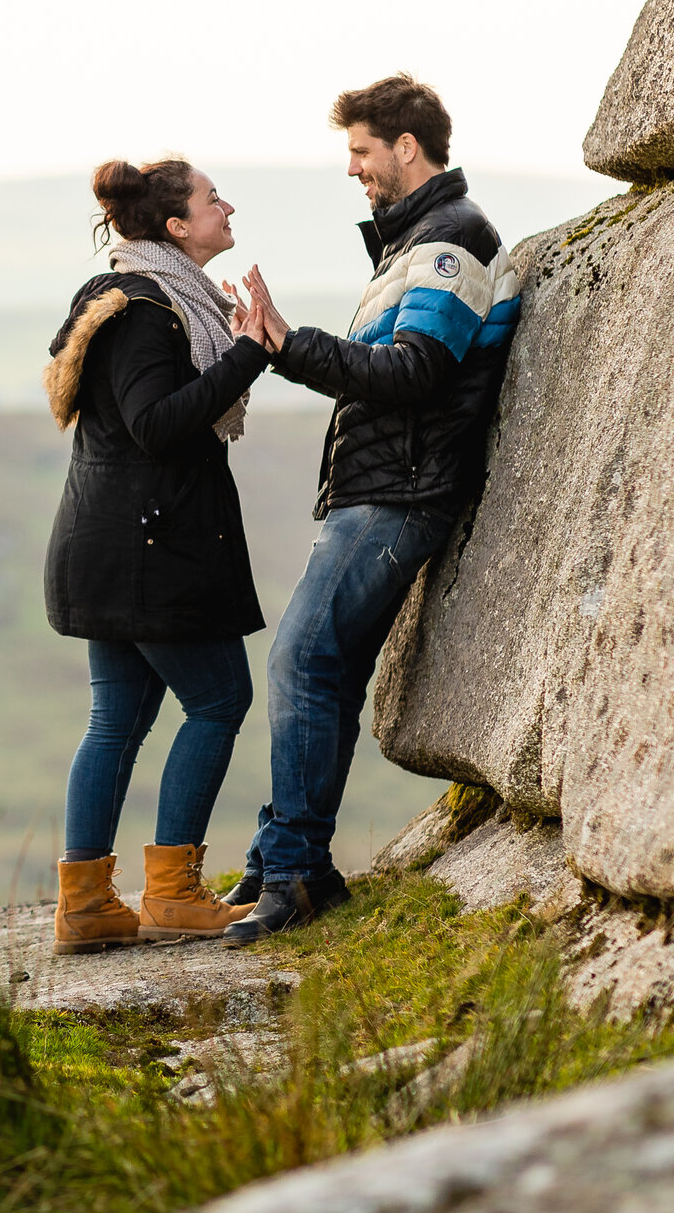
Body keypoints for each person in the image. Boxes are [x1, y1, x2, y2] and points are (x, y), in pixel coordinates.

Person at [220, 75, 521, 946]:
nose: (353, 169)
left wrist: (286, 344)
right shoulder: (411, 250)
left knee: (299, 659)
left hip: (399, 494)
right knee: (327, 673)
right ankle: (295, 862)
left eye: (360, 151)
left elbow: (415, 371)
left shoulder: (451, 241)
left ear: (407, 146)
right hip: (376, 490)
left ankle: (293, 873)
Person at [41, 157, 278, 953]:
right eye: (214, 200)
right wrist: (249, 351)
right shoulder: (149, 310)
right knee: (218, 701)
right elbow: (155, 422)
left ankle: (86, 905)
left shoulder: (138, 294)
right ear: (176, 227)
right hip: (151, 550)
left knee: (117, 718)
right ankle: (172, 891)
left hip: (108, 542)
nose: (227, 206)